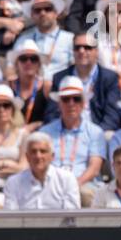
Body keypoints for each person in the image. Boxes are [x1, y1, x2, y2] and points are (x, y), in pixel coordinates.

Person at [40, 75, 108, 205]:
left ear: (83, 103)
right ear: (59, 104)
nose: (71, 103)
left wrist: (73, 185)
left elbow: (94, 168)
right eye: (66, 99)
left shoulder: (95, 131)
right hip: (51, 184)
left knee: (85, 193)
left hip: (84, 184)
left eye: (76, 99)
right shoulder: (45, 132)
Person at [48, 32, 121, 131]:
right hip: (65, 132)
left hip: (100, 133)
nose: (81, 51)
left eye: (87, 47)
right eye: (77, 48)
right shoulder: (59, 78)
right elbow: (51, 114)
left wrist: (95, 136)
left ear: (97, 51)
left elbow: (112, 115)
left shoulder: (110, 78)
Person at [5, 131, 82, 209]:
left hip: (58, 221)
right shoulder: (13, 182)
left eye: (43, 151)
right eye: (33, 152)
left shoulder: (66, 179)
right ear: (27, 157)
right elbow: (11, 218)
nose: (38, 156)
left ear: (52, 156)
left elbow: (72, 215)